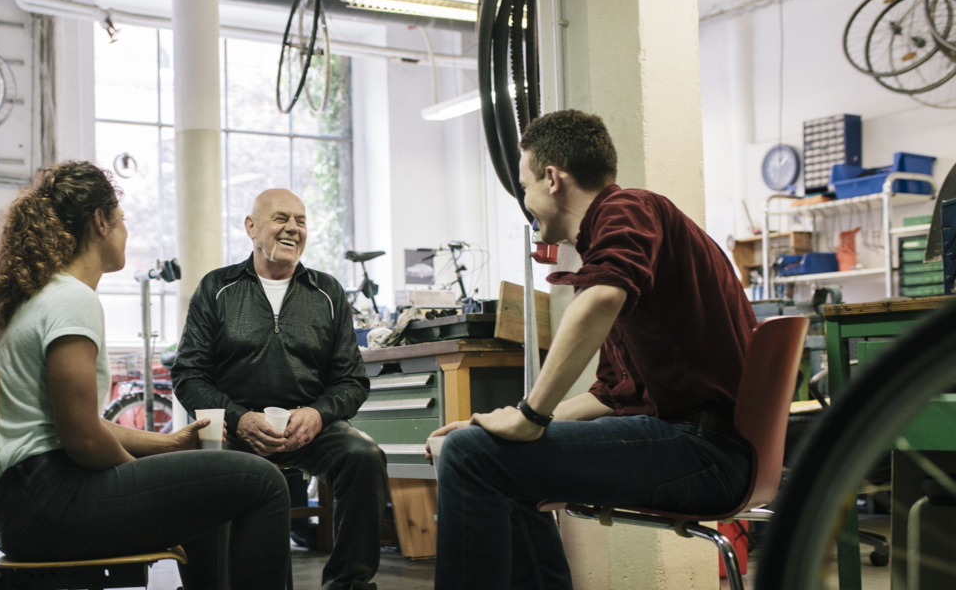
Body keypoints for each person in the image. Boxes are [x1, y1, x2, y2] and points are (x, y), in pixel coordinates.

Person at [430, 110, 757, 589]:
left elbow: (601, 297)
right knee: (487, 456)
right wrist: (500, 424)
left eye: (523, 188)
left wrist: (530, 416)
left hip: (705, 452)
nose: (526, 202)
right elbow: (609, 394)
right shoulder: (630, 236)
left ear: (552, 178)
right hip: (705, 448)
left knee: (466, 456)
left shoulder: (627, 209)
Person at [0, 161, 290, 590]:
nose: (126, 232)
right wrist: (139, 481)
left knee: (208, 478)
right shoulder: (71, 301)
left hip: (23, 507)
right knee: (262, 480)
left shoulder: (40, 298)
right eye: (122, 221)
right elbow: (83, 439)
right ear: (100, 222)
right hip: (50, 502)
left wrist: (170, 445)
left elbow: (74, 422)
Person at [172, 188, 386, 590]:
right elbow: (189, 375)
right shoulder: (217, 288)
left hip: (308, 427)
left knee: (365, 457)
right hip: (234, 430)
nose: (292, 228)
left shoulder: (327, 293)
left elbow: (352, 381)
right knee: (197, 468)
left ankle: (349, 583)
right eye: (281, 218)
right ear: (252, 227)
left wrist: (318, 414)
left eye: (301, 221)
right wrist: (240, 419)